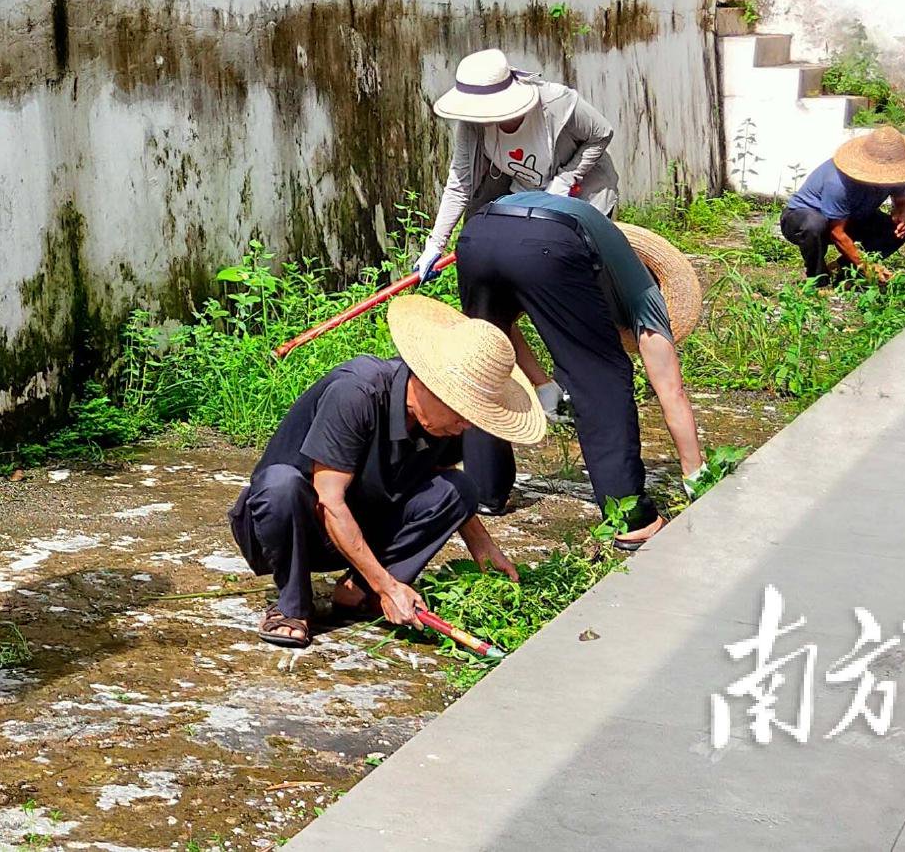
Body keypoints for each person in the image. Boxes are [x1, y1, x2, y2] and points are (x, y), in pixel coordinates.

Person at [227, 296, 543, 648]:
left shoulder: (445, 422)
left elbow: (442, 472)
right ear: (426, 383)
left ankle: (355, 591)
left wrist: (484, 548)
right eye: (461, 409)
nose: (466, 423)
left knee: (460, 490)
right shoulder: (356, 393)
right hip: (297, 526)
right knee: (280, 485)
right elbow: (329, 502)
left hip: (366, 523)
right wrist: (389, 586)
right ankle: (292, 605)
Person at [456, 192, 709, 518]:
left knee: (485, 350)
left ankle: (484, 492)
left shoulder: (603, 251)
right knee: (601, 376)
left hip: (478, 232)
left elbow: (503, 331)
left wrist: (543, 385)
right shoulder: (647, 295)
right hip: (548, 240)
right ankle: (630, 517)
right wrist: (696, 474)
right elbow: (671, 391)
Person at [412, 48, 620, 413]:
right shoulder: (473, 121)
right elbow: (460, 182)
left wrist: (566, 179)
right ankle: (544, 387)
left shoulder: (557, 103)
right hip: (523, 200)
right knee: (495, 296)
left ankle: (593, 380)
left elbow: (601, 134)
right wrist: (435, 243)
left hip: (583, 192)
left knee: (575, 291)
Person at [779, 126, 905, 284]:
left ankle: (843, 267)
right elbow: (836, 232)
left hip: (852, 217)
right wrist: (867, 266)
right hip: (804, 219)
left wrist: (903, 216)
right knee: (814, 224)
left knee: (895, 231)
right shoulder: (838, 183)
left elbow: (903, 201)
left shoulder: (896, 175)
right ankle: (817, 277)